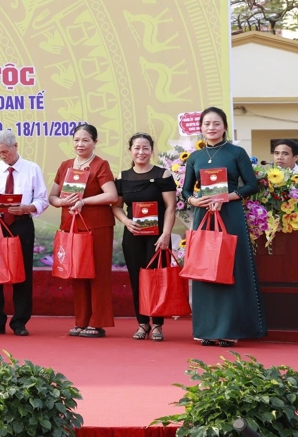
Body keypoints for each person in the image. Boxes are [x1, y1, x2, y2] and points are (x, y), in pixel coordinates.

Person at [181, 106, 266, 346]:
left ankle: (230, 329)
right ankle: (207, 329)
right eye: (207, 124)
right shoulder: (195, 157)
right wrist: (193, 200)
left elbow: (251, 185)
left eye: (216, 123)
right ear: (201, 127)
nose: (211, 128)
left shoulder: (236, 152)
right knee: (204, 267)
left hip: (230, 214)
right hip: (204, 215)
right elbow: (187, 189)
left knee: (230, 268)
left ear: (225, 126)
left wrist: (225, 198)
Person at [48, 123, 118, 339]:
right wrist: (61, 202)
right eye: (77, 140)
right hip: (72, 227)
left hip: (97, 227)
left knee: (97, 274)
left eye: (85, 140)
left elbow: (112, 196)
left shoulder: (100, 165)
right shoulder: (65, 165)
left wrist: (83, 201)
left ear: (95, 143)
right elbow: (52, 197)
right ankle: (81, 321)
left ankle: (97, 323)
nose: (80, 144)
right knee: (76, 273)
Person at [0, 129, 47, 336]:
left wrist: (27, 208)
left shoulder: (32, 169)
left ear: (15, 146)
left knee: (22, 273)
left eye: (5, 152)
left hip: (21, 223)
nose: (2, 156)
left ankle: (19, 322)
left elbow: (42, 199)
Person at [111, 133, 176, 342]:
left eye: (145, 148)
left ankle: (157, 324)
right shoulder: (122, 177)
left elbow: (171, 207)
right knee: (136, 279)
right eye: (137, 148)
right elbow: (117, 207)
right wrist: (127, 222)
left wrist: (166, 234)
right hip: (133, 235)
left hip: (157, 237)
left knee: (156, 279)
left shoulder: (163, 175)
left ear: (151, 150)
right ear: (130, 150)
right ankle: (142, 323)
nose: (141, 152)